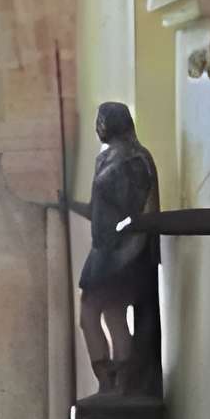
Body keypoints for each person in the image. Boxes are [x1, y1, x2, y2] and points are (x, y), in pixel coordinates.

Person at [73, 101, 162, 400]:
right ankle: (109, 383)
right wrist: (65, 204)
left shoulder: (134, 159)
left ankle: (118, 384)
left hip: (122, 251)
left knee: (97, 313)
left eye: (102, 120)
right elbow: (100, 211)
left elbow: (133, 215)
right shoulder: (106, 158)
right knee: (107, 314)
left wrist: (126, 255)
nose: (97, 126)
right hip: (104, 250)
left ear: (114, 122)